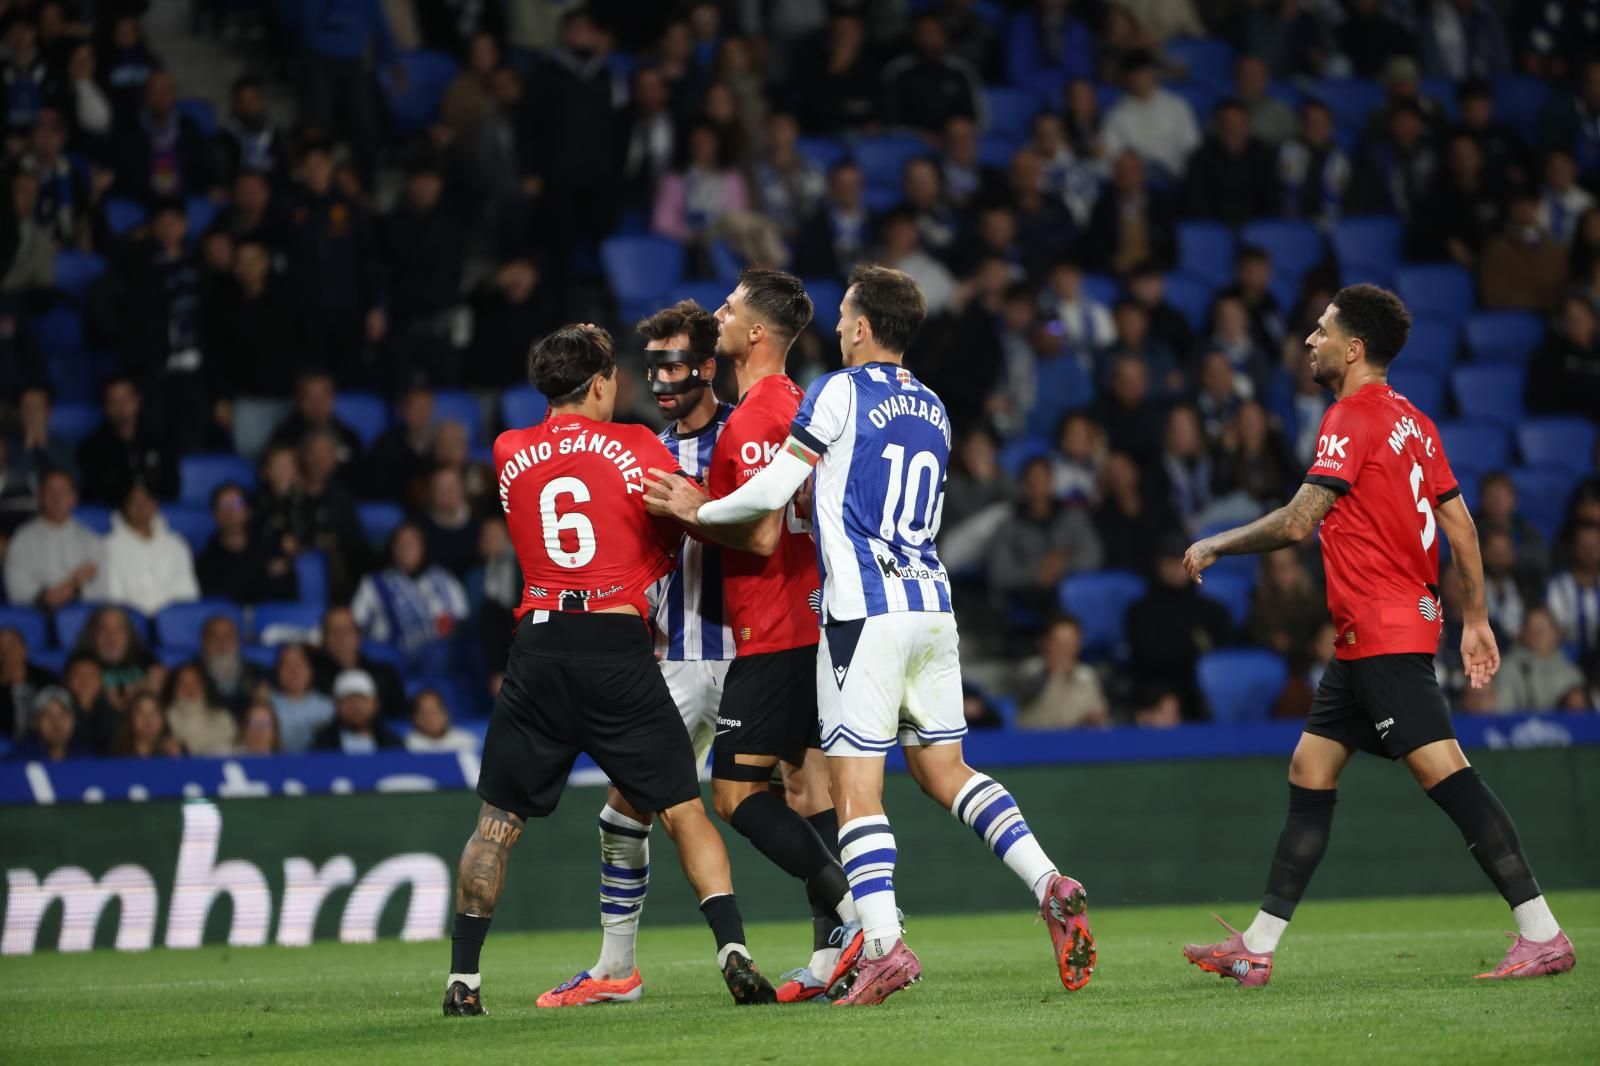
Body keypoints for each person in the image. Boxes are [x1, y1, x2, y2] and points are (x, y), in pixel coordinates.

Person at [648, 265, 1095, 1006]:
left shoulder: (837, 391)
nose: (838, 327)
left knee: (855, 791)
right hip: (933, 605)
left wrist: (699, 508)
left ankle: (883, 947)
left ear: (859, 327)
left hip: (865, 611)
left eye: (845, 317)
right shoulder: (936, 406)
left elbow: (768, 493)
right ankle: (1048, 879)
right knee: (944, 773)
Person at [1180, 283, 1575, 984]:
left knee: (1448, 776)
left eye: (1322, 330)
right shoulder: (1415, 422)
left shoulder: (1349, 417)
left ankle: (1542, 933)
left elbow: (1301, 521)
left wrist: (1218, 543)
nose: (1309, 340)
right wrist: (1476, 617)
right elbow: (1459, 523)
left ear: (1354, 349)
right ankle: (1258, 946)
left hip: (1386, 630)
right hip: (1372, 635)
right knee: (1310, 768)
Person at [443, 323, 777, 1018]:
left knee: (496, 822)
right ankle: (733, 952)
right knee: (684, 808)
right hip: (615, 645)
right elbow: (688, 516)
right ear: (599, 384)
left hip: (536, 647)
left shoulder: (508, 451)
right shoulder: (637, 446)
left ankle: (464, 981)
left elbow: (551, 472)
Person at [631, 273, 859, 1005]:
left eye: (728, 309)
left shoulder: (759, 414)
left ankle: (859, 919)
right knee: (805, 781)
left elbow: (759, 534)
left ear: (755, 334)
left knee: (733, 793)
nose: (718, 316)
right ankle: (834, 952)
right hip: (807, 617)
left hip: (775, 625)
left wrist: (696, 509)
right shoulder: (797, 405)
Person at [536, 300, 748, 1007]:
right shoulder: (642, 450)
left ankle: (846, 939)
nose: (660, 380)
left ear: (708, 367)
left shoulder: (748, 436)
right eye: (651, 365)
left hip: (746, 649)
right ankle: (617, 965)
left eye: (674, 364)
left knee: (796, 799)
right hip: (680, 653)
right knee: (629, 809)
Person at [987, 456, 1104, 621]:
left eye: (1043, 478)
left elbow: (1094, 554)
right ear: (1024, 485)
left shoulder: (1073, 516)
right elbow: (999, 573)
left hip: (1071, 590)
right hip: (1029, 594)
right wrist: (1037, 573)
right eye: (1032, 480)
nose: (1038, 485)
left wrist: (1063, 563)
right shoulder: (1009, 525)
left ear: (1051, 481)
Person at [350, 522, 469, 668]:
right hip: (392, 663)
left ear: (423, 547)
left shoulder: (445, 579)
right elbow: (355, 623)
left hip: (441, 662)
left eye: (412, 543)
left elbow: (461, 620)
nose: (407, 549)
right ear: (392, 549)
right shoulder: (373, 583)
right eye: (401, 544)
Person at [3, 469, 105, 608]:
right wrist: (74, 582)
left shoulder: (91, 540)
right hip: (38, 617)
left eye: (63, 491)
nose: (57, 497)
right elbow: (19, 594)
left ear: (73, 498)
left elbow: (102, 592)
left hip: (83, 618)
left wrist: (63, 592)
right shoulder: (22, 540)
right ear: (39, 496)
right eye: (50, 491)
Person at [101, 480, 200, 617]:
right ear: (124, 505)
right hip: (131, 624)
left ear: (156, 503)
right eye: (134, 501)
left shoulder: (176, 544)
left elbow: (187, 592)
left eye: (147, 499)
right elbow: (114, 596)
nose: (141, 506)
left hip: (173, 621)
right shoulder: (108, 547)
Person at [1018, 616, 1109, 730]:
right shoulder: (1030, 670)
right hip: (1035, 743)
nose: (1064, 649)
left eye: (1070, 642)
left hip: (1077, 742)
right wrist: (1050, 673)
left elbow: (1100, 718)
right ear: (1044, 643)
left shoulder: (1087, 675)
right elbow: (1027, 694)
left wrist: (1093, 720)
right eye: (1058, 643)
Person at [1495, 607, 1586, 712]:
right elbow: (1502, 713)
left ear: (1556, 633)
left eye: (1543, 628)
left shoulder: (1572, 673)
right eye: (1532, 629)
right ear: (1524, 633)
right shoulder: (1508, 668)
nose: (1538, 634)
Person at [311, 669, 402, 752]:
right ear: (336, 706)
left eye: (361, 699)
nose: (355, 706)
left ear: (375, 704)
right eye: (348, 699)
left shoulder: (392, 744)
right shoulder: (322, 745)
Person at [1545, 522, 1600, 660]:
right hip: (1565, 660)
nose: (1589, 552)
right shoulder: (1557, 586)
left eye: (1594, 547)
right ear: (1574, 548)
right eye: (1584, 547)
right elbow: (1556, 631)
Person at [266, 642, 333, 754]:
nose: (293, 671)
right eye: (286, 665)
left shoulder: (327, 706)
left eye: (298, 664)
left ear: (310, 670)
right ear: (278, 672)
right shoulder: (267, 705)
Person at [162, 662, 236, 755]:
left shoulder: (223, 718)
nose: (189, 688)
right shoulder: (164, 718)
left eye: (195, 682)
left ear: (205, 685)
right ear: (173, 688)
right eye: (183, 683)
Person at [12, 686, 85, 762]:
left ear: (73, 719)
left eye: (63, 714)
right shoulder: (17, 761)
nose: (56, 722)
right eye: (47, 715)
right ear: (35, 722)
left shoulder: (85, 758)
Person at [404, 688, 478, 753]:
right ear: (415, 718)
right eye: (424, 712)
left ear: (446, 714)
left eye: (435, 711)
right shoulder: (407, 746)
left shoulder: (467, 742)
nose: (430, 717)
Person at [110, 691, 181, 757]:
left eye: (153, 713)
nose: (148, 720)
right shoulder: (116, 754)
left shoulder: (173, 752)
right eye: (141, 713)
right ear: (130, 719)